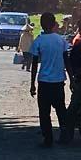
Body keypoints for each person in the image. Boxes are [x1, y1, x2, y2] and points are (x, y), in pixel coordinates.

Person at [29, 13, 70, 147]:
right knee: (61, 109)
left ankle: (48, 138)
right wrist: (72, 79)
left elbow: (34, 64)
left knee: (44, 112)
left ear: (41, 24)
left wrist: (32, 84)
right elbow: (67, 61)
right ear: (54, 24)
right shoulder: (61, 40)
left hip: (44, 81)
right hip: (58, 81)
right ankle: (65, 135)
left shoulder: (38, 41)